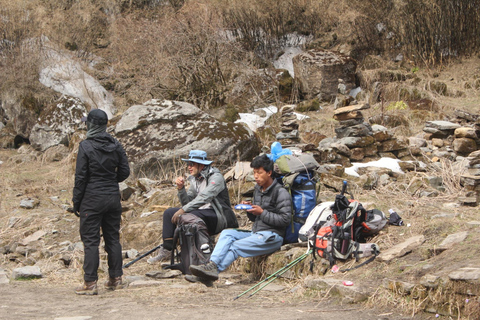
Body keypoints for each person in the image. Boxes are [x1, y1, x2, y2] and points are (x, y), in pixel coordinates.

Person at [189, 154, 292, 282]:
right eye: (254, 173)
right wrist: (249, 210)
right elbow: (256, 219)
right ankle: (211, 266)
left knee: (236, 246)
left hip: (272, 237)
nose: (256, 176)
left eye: (259, 173)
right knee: (227, 233)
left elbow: (285, 220)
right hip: (257, 232)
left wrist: (262, 212)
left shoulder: (281, 192)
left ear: (269, 173)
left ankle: (209, 274)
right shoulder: (258, 190)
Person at [72, 109, 130, 295]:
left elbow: (80, 178)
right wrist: (111, 180)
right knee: (113, 238)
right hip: (112, 197)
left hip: (92, 199)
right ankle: (115, 278)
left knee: (90, 241)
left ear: (91, 125)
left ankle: (90, 283)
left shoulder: (85, 146)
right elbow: (125, 172)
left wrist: (76, 202)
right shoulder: (116, 144)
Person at [147, 150, 238, 264]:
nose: (189, 167)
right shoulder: (195, 179)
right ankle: (167, 250)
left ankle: (195, 252)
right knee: (168, 213)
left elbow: (205, 197)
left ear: (202, 165)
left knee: (189, 215)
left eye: (192, 164)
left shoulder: (216, 177)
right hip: (202, 213)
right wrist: (181, 189)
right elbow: (188, 202)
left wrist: (183, 210)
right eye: (188, 164)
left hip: (219, 216)